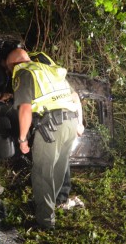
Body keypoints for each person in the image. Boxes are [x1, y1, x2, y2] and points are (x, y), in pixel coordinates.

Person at [6, 49, 84, 229]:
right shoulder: (49, 69)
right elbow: (74, 96)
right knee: (58, 169)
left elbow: (25, 109)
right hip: (70, 123)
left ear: (13, 65)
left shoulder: (23, 72)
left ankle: (45, 222)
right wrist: (80, 123)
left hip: (52, 127)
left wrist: (22, 139)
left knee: (42, 173)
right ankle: (51, 206)